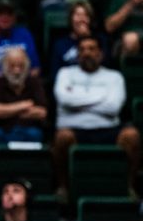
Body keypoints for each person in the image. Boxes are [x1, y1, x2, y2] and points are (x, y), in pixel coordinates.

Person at [52, 36, 139, 197]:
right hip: (74, 129)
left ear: (100, 54)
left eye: (91, 49)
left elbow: (113, 107)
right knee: (62, 138)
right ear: (77, 55)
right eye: (82, 49)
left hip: (108, 129)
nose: (87, 53)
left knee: (132, 136)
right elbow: (65, 100)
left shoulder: (114, 77)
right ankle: (63, 188)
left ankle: (129, 187)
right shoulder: (65, 73)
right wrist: (101, 97)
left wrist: (78, 101)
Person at [0, 46, 47, 185]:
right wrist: (24, 105)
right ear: (4, 67)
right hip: (2, 130)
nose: (17, 70)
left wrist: (7, 111)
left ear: (27, 67)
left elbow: (42, 112)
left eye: (21, 66)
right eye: (12, 66)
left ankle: (33, 181)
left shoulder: (35, 83)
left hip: (28, 130)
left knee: (35, 134)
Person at [48, 0, 106, 78]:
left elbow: (105, 68)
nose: (81, 19)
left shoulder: (100, 40)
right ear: (71, 19)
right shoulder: (60, 44)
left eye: (85, 15)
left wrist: (87, 37)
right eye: (77, 15)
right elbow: (55, 74)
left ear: (90, 19)